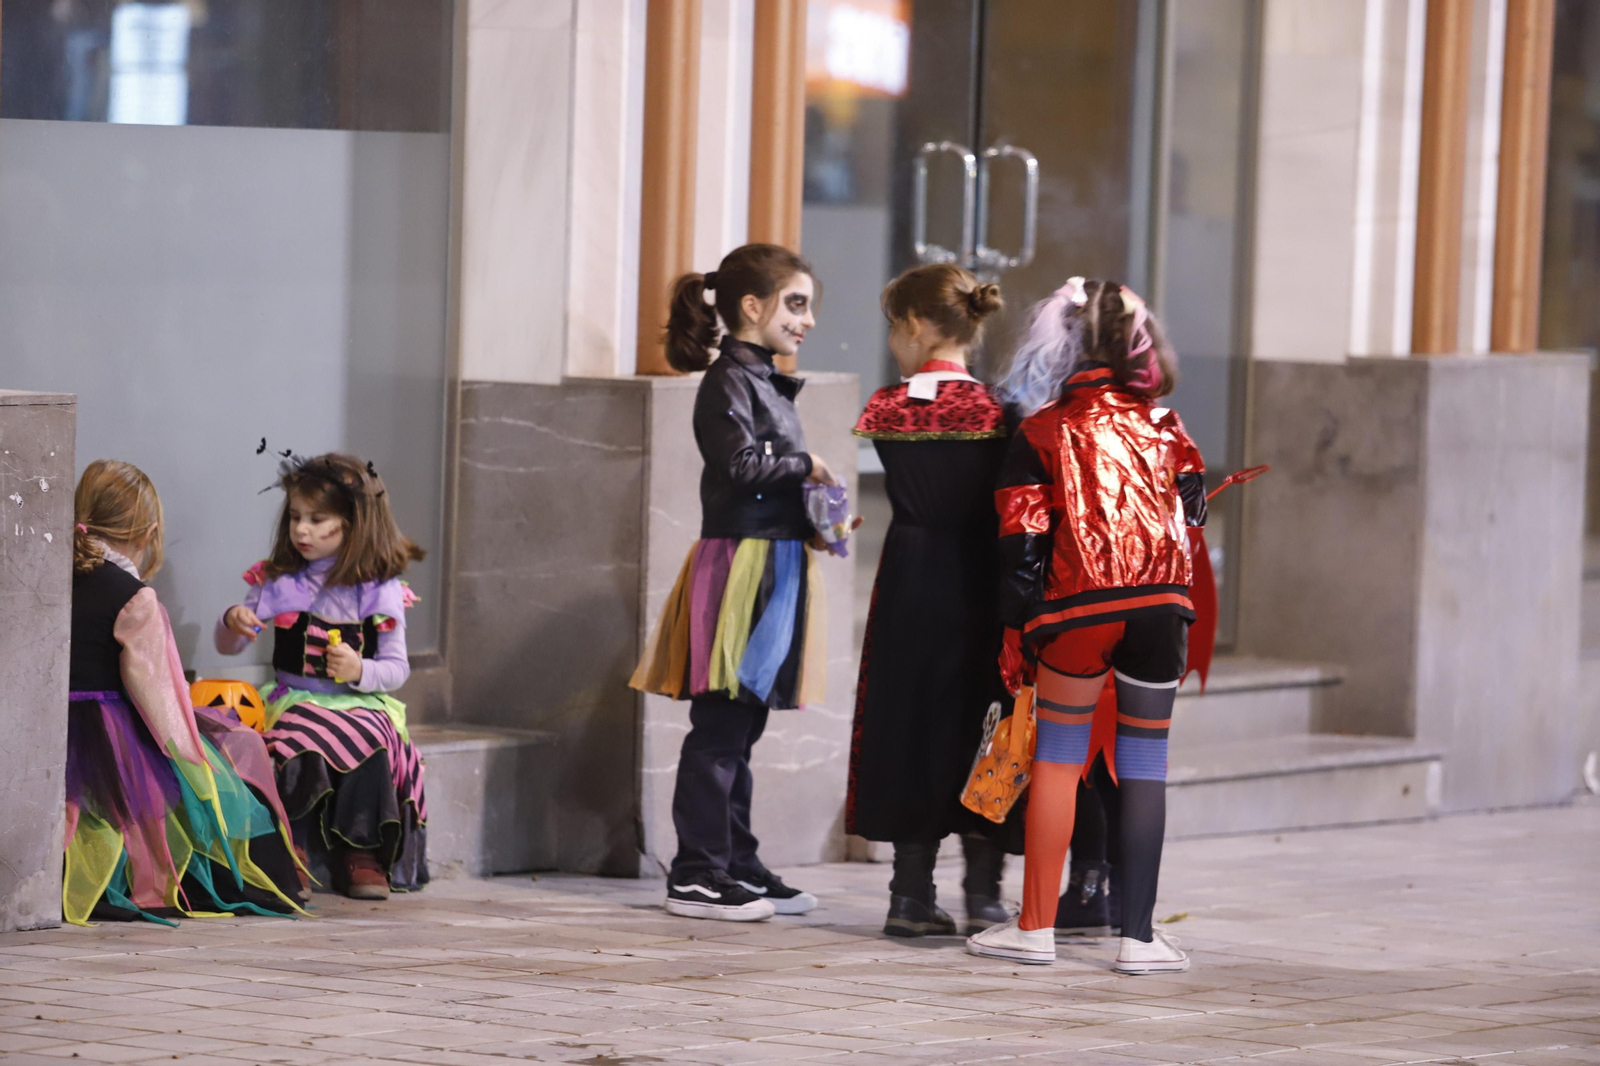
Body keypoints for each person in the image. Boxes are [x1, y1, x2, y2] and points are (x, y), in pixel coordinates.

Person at [966, 277, 1206, 975]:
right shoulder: (1168, 426)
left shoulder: (1041, 431)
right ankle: (1139, 940)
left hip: (1077, 611)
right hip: (1161, 608)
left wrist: (1017, 630)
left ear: (1063, 346)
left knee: (1059, 762)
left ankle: (1035, 930)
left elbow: (1019, 545)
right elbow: (1192, 516)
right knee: (1145, 767)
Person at [631, 242, 846, 922]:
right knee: (721, 724)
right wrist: (808, 464)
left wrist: (818, 519)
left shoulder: (761, 379)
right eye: (796, 304)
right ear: (752, 307)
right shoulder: (728, 380)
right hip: (740, 567)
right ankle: (697, 871)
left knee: (742, 724)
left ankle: (736, 861)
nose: (808, 320)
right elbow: (741, 467)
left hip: (771, 560)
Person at [846, 264, 1022, 938]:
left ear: (917, 326)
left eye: (893, 326)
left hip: (911, 575)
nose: (892, 340)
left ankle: (909, 894)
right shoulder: (1002, 412)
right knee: (987, 717)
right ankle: (984, 893)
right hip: (983, 576)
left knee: (908, 716)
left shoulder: (890, 407)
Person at [65, 459, 308, 925]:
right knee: (239, 747)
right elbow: (159, 698)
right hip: (107, 734)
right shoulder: (133, 596)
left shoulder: (45, 574)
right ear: (150, 532)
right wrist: (196, 764)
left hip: (49, 724)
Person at [216, 453, 427, 900]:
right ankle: (290, 847)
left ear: (353, 523)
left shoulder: (378, 588)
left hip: (358, 702)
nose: (302, 530)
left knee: (372, 737)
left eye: (317, 519)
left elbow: (397, 668)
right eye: (295, 517)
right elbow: (229, 646)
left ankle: (360, 851)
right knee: (296, 738)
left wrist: (360, 669)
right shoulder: (279, 581)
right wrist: (233, 622)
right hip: (295, 697)